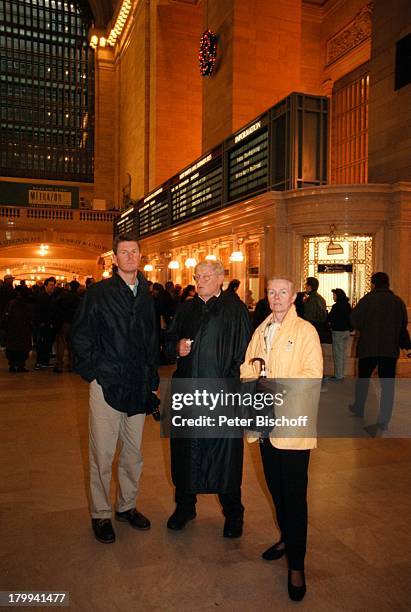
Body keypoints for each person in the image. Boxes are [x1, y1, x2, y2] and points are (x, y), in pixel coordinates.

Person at [70, 232, 159, 544]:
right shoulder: (99, 293)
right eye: (124, 252)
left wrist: (152, 384)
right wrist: (94, 373)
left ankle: (127, 505)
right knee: (103, 453)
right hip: (107, 383)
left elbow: (151, 342)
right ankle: (101, 513)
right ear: (115, 258)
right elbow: (80, 336)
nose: (131, 257)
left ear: (139, 256)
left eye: (135, 252)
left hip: (137, 386)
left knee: (133, 454)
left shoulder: (147, 294)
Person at [240, 277, 323, 602]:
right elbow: (247, 367)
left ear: (293, 298)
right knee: (275, 489)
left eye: (282, 292)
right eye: (271, 292)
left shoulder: (305, 331)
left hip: (292, 425)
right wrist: (251, 377)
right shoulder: (260, 330)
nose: (276, 297)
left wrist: (273, 385)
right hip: (265, 424)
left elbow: (312, 376)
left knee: (294, 497)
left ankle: (297, 566)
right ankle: (287, 538)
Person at [164, 259, 251, 537]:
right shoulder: (186, 308)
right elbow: (167, 342)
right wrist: (176, 347)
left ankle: (233, 512)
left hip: (221, 395)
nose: (200, 280)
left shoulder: (234, 310)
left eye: (206, 275)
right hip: (189, 393)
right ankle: (185, 506)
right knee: (186, 453)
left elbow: (243, 354)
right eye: (197, 276)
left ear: (220, 278)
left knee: (224, 456)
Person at [349, 272, 409, 435]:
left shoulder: (366, 301)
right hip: (389, 350)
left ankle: (359, 407)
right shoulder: (398, 302)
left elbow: (354, 321)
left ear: (374, 284)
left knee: (363, 380)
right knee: (388, 386)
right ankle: (383, 420)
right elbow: (403, 325)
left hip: (368, 348)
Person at [53, 280, 81, 373]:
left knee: (61, 343)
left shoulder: (64, 296)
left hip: (64, 322)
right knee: (71, 344)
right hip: (74, 323)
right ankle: (71, 365)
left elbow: (58, 307)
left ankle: (59, 365)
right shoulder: (78, 298)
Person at [5, 285, 34, 372]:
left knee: (12, 348)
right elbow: (30, 317)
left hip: (12, 329)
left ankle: (12, 365)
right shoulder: (27, 304)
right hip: (23, 330)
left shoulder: (12, 302)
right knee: (22, 349)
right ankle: (20, 365)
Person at [34, 277, 58, 369]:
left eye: (53, 285)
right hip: (43, 325)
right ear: (46, 286)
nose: (53, 287)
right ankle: (39, 362)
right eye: (51, 285)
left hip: (50, 325)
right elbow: (38, 312)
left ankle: (45, 361)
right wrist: (41, 323)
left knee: (48, 344)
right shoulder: (42, 297)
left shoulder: (52, 297)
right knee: (42, 343)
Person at [328, 288, 352, 380]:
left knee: (338, 354)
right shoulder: (347, 305)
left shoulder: (336, 306)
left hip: (337, 331)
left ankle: (338, 375)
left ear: (338, 296)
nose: (333, 297)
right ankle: (342, 373)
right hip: (346, 331)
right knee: (343, 353)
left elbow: (330, 318)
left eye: (334, 295)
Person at [303, 277, 330, 343]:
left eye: (306, 285)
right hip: (320, 328)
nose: (305, 287)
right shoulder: (321, 298)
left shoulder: (311, 299)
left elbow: (309, 316)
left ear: (310, 286)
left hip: (312, 328)